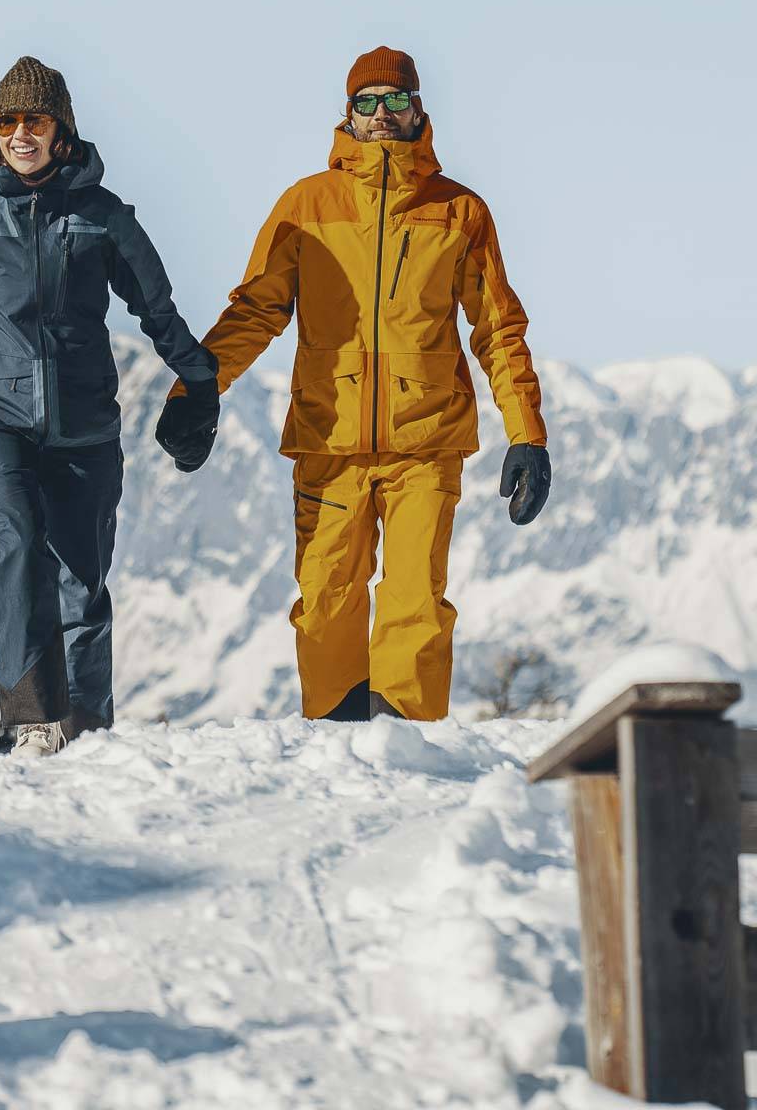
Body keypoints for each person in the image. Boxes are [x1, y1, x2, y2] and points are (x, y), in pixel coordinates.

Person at [156, 46, 550, 722]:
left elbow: (497, 330)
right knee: (326, 598)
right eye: (367, 102)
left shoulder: (460, 212)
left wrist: (528, 435)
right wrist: (196, 389)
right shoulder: (306, 205)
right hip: (327, 438)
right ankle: (335, 747)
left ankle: (407, 749)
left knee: (416, 601)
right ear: (348, 114)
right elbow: (255, 310)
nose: (382, 114)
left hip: (426, 443)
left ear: (419, 109)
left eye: (396, 100)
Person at [0, 56, 219, 755]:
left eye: (35, 119)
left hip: (83, 423)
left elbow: (158, 310)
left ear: (62, 130)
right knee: (17, 541)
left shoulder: (103, 218)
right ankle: (31, 718)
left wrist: (199, 384)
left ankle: (87, 729)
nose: (21, 132)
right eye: (8, 120)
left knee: (83, 578)